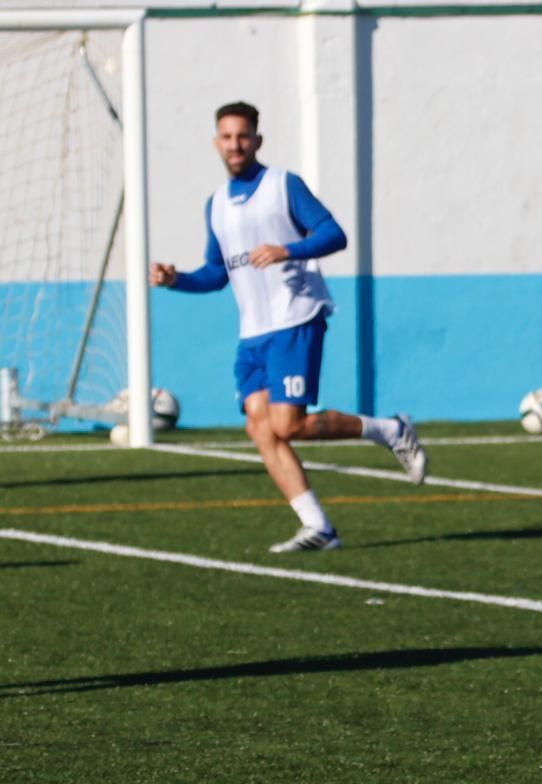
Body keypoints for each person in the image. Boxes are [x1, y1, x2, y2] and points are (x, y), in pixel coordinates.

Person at [150, 101, 426, 552]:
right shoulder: (216, 206)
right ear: (216, 142)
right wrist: (174, 279)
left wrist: (287, 250)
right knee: (261, 429)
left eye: (243, 136)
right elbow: (216, 274)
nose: (235, 145)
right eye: (227, 137)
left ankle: (391, 430)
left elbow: (334, 234)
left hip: (295, 318)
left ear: (257, 140)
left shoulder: (283, 186)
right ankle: (318, 527)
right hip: (252, 334)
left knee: (288, 424)